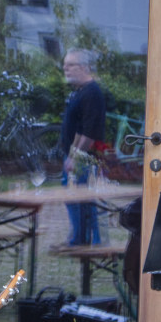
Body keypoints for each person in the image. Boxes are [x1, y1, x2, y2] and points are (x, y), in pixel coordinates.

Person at [60, 48, 107, 246]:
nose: (65, 69)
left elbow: (90, 132)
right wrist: (72, 154)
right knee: (78, 199)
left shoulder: (92, 93)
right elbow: (80, 130)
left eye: (70, 65)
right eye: (65, 65)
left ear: (84, 67)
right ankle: (83, 239)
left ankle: (84, 241)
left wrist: (75, 157)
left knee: (80, 199)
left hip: (86, 158)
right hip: (77, 155)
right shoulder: (81, 92)